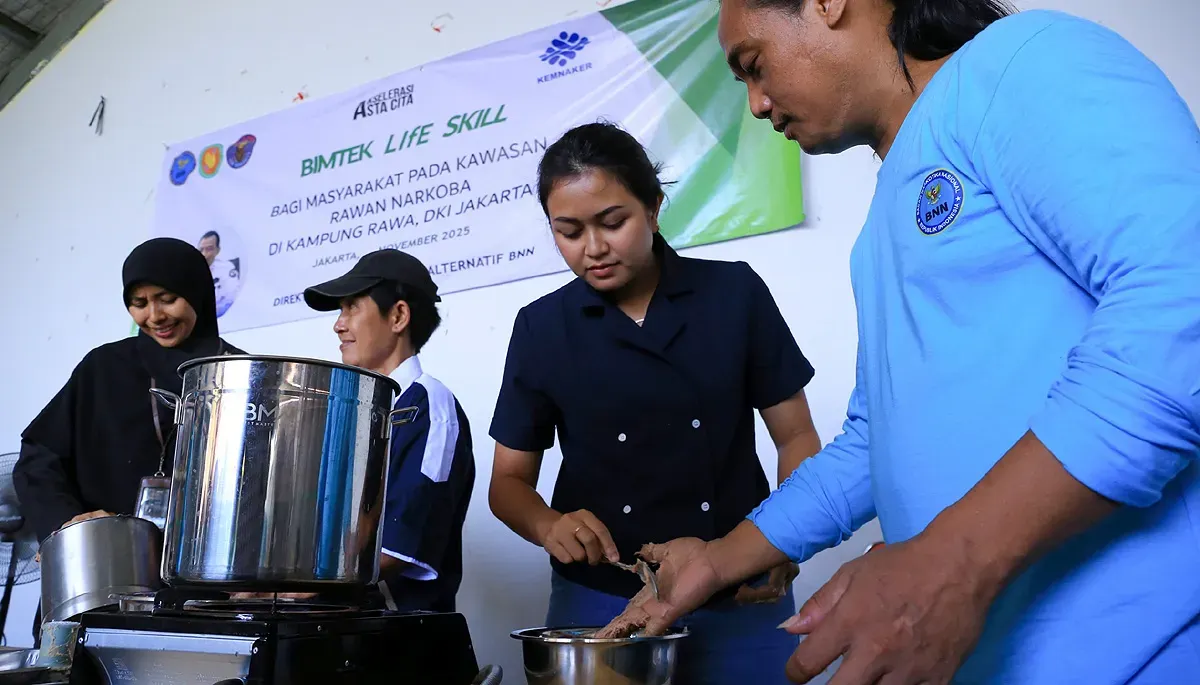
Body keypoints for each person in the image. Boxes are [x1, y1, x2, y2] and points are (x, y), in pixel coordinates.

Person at [601, 1, 1200, 684]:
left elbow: (1181, 304)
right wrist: (718, 558)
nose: (758, 104)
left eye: (753, 65)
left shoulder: (1022, 62)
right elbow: (875, 436)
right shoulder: (889, 212)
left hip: (1144, 651)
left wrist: (954, 561)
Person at [487, 122, 822, 684]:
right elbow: (508, 482)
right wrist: (548, 525)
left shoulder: (733, 295)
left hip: (738, 586)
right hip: (599, 597)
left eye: (612, 222)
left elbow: (797, 436)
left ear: (654, 207)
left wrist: (784, 541)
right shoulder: (543, 328)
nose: (593, 248)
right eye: (568, 231)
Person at [16, 237, 245, 544]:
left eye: (167, 298)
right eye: (139, 304)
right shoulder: (104, 367)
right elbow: (39, 459)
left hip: (208, 566)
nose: (155, 316)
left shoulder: (241, 374)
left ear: (197, 293)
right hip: (104, 560)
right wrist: (66, 523)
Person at [303, 249, 475, 613]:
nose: (338, 324)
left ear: (398, 316)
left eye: (351, 307)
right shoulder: (353, 413)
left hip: (399, 644)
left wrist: (298, 585)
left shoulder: (430, 406)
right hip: (340, 631)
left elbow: (398, 549)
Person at [198, 230, 241, 316]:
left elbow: (231, 298)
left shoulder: (227, 269)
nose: (204, 254)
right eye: (201, 249)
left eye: (209, 249)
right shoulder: (191, 269)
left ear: (217, 250)